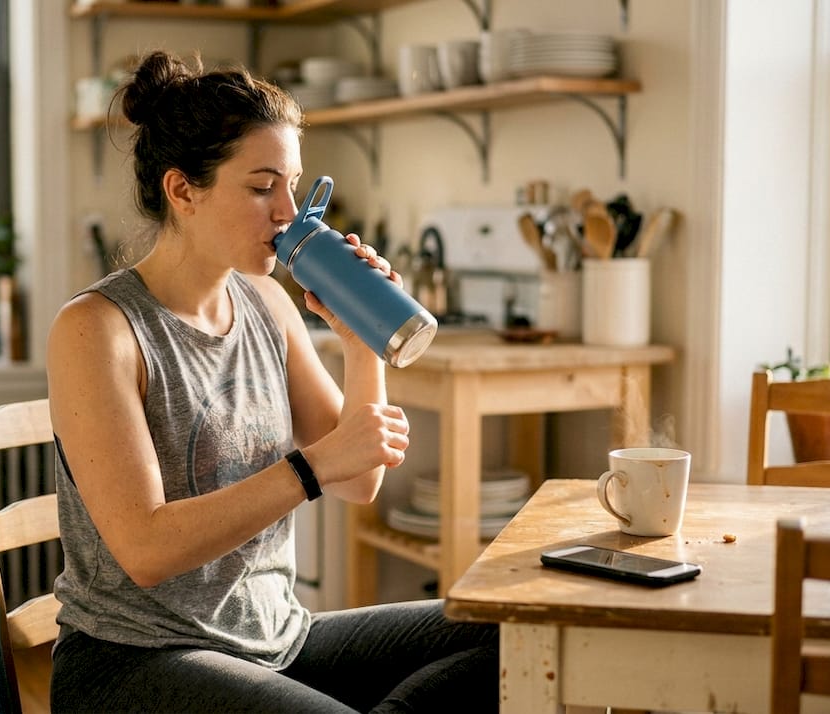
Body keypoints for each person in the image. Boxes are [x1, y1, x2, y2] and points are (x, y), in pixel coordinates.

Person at [45, 50, 499, 713]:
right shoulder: (98, 329)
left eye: (294, 185)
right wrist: (310, 466)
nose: (289, 212)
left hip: (276, 642)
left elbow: (358, 478)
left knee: (509, 629)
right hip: (134, 662)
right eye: (263, 188)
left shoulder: (267, 303)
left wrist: (358, 335)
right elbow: (145, 549)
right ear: (183, 191)